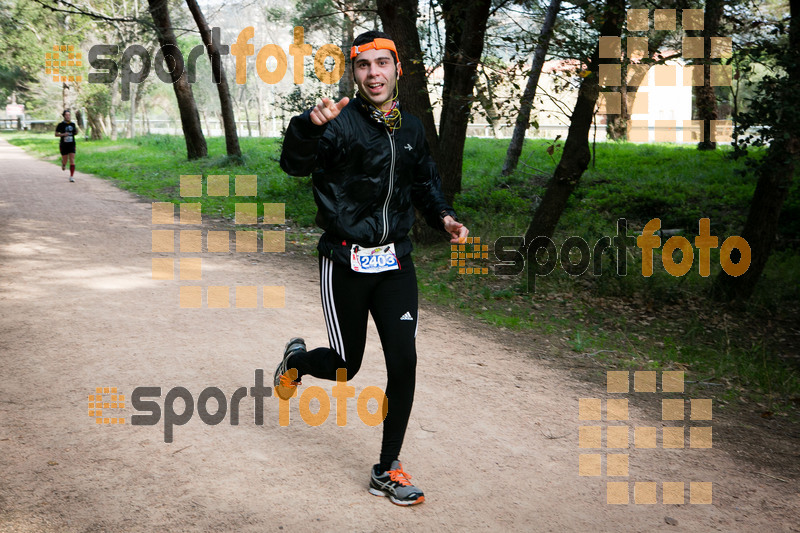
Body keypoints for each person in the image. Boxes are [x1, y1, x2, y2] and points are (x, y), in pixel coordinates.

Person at [277, 30, 468, 506]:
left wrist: (442, 216)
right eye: (364, 66)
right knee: (346, 367)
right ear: (355, 72)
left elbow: (424, 180)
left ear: (397, 69)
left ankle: (387, 469)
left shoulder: (412, 128)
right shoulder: (338, 125)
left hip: (396, 260)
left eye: (383, 63)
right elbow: (294, 165)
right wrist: (307, 127)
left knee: (404, 361)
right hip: (345, 259)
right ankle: (297, 362)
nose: (374, 73)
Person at [55, 110, 78, 182]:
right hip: (63, 144)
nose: (68, 116)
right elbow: (56, 134)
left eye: (69, 115)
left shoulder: (73, 124)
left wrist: (77, 131)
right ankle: (63, 164)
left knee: (72, 160)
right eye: (66, 115)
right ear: (64, 116)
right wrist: (63, 134)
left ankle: (71, 176)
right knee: (65, 160)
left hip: (72, 144)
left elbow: (75, 133)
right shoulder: (60, 125)